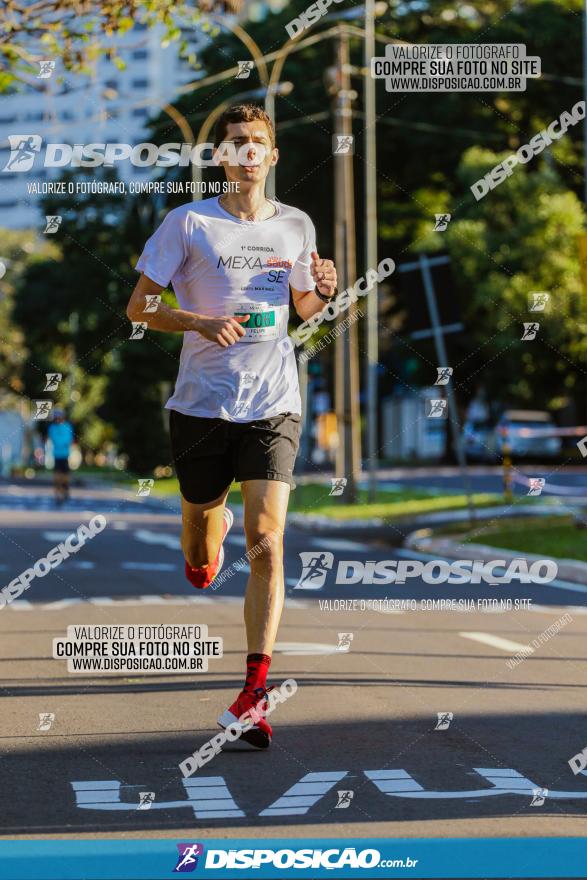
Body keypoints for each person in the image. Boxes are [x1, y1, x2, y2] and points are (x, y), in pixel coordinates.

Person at [127, 103, 338, 749]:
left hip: (273, 401)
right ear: (220, 156)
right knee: (200, 535)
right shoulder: (188, 223)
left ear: (272, 157)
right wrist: (195, 321)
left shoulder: (296, 225)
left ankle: (253, 690)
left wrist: (320, 291)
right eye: (235, 143)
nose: (246, 153)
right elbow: (139, 307)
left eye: (257, 143)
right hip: (200, 404)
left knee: (269, 542)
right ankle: (200, 543)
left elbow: (297, 310)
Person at [47, 408, 74, 504]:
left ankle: (66, 490)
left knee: (66, 475)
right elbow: (53, 439)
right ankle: (58, 493)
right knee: (57, 476)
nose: (58, 419)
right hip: (56, 455)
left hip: (65, 455)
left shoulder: (67, 426)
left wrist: (63, 443)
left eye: (59, 417)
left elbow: (69, 439)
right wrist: (61, 443)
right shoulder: (52, 428)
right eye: (56, 417)